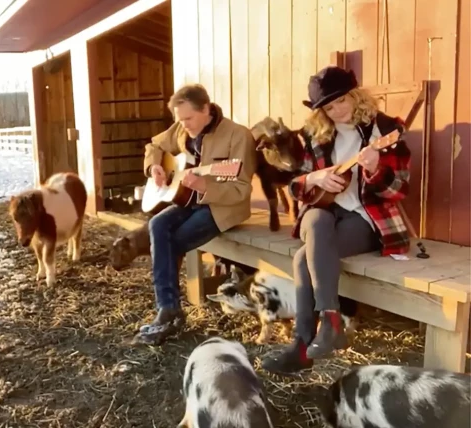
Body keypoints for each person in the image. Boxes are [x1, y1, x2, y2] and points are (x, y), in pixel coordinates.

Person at [262, 66, 411, 373]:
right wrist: (315, 178)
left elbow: (399, 189)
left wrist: (373, 170)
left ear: (356, 96)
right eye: (329, 107)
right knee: (315, 219)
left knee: (304, 259)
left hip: (367, 218)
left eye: (342, 101)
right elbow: (295, 187)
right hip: (325, 214)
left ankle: (303, 346)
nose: (337, 110)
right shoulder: (315, 136)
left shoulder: (384, 130)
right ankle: (330, 323)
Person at [133, 84, 257, 345]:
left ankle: (169, 314)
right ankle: (168, 308)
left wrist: (205, 186)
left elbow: (241, 190)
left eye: (189, 118)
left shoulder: (238, 136)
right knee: (157, 225)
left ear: (206, 109)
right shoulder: (181, 128)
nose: (184, 124)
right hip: (187, 199)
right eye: (180, 119)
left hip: (222, 208)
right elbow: (154, 144)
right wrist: (154, 166)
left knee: (170, 243)